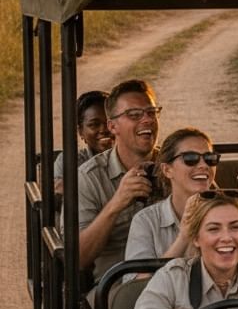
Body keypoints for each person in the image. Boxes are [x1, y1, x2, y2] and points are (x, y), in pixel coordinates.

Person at [75, 79, 162, 280]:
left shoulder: (176, 165)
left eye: (151, 112)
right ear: (112, 126)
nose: (147, 120)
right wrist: (116, 203)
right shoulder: (89, 178)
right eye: (134, 115)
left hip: (176, 277)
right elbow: (78, 259)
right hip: (118, 284)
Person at [125, 128, 221, 268]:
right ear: (167, 170)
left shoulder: (233, 214)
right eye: (190, 158)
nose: (203, 165)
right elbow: (137, 284)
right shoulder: (146, 221)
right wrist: (184, 237)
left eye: (209, 158)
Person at [54, 90, 112, 197]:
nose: (104, 129)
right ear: (81, 132)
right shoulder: (70, 161)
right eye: (94, 125)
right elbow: (58, 192)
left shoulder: (132, 157)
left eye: (109, 123)